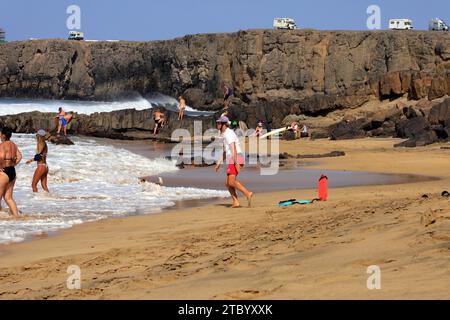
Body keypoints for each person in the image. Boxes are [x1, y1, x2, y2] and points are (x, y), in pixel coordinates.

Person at [215, 116, 253, 208]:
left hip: (236, 157)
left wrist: (236, 163)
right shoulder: (224, 134)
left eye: (219, 123)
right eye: (217, 123)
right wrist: (219, 162)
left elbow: (233, 149)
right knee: (227, 183)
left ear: (224, 125)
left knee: (231, 182)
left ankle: (247, 193)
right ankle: (236, 202)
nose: (217, 124)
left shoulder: (229, 134)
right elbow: (226, 150)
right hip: (232, 158)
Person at [0, 127, 22, 217]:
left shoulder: (2, 145)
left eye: (0, 134)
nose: (0, 136)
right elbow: (20, 156)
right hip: (12, 171)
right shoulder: (13, 145)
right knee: (8, 198)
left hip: (4, 172)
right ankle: (16, 216)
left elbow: (1, 156)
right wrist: (13, 165)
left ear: (4, 136)